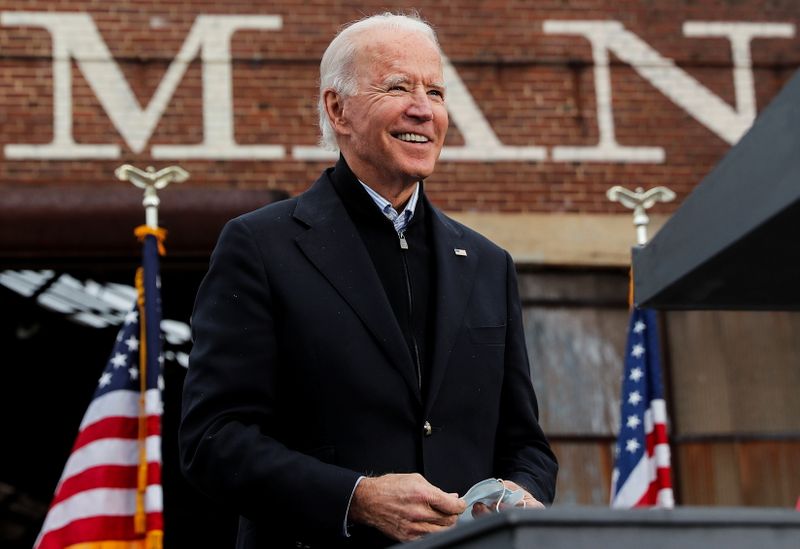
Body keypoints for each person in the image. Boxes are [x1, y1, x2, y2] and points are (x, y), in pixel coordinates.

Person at [179, 12, 558, 549]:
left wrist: (524, 492)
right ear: (339, 110)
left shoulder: (487, 263)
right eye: (398, 87)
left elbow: (526, 445)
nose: (423, 110)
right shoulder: (260, 247)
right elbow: (212, 442)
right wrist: (355, 497)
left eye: (435, 91)